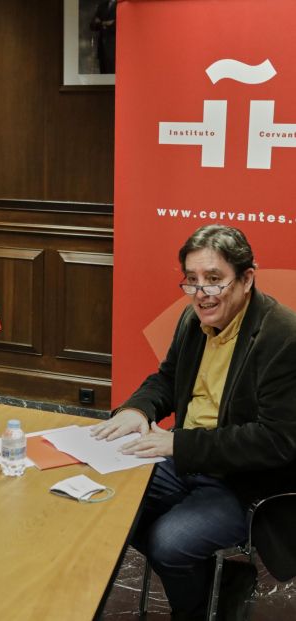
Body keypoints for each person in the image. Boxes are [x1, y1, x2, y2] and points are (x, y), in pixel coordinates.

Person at [91, 225, 296, 619]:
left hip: (244, 481)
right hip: (187, 459)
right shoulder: (193, 319)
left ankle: (202, 608)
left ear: (247, 277)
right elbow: (167, 378)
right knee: (108, 504)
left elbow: (276, 441)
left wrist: (177, 445)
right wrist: (139, 410)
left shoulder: (282, 337)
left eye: (214, 280)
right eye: (192, 281)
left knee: (169, 542)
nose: (201, 294)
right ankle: (218, 585)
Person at [90, 0, 116, 74]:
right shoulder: (102, 6)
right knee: (104, 76)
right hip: (102, 49)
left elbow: (120, 25)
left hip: (116, 49)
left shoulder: (123, 5)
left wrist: (100, 23)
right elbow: (92, 25)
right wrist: (106, 23)